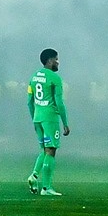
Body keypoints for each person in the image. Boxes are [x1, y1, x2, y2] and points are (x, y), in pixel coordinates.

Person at [26, 49, 70, 196]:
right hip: (50, 118)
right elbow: (59, 102)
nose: (58, 62)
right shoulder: (55, 78)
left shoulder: (33, 77)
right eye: (56, 59)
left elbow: (29, 102)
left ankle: (34, 176)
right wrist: (65, 122)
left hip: (37, 117)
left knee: (44, 150)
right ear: (50, 60)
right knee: (51, 151)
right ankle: (46, 188)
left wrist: (34, 117)